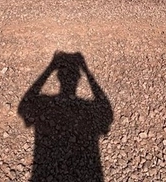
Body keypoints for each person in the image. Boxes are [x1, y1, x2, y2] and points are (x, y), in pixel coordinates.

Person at [18, 52, 113, 182]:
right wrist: (87, 71)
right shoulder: (86, 108)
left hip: (44, 171)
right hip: (88, 173)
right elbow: (106, 111)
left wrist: (50, 68)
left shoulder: (46, 104)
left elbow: (24, 106)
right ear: (79, 78)